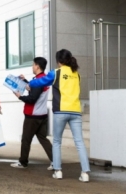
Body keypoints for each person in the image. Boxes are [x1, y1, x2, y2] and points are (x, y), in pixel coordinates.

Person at [27, 49, 90, 182]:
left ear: (58, 61)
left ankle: (58, 171)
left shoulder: (56, 73)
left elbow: (41, 81)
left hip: (61, 111)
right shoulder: (77, 74)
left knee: (56, 141)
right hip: (75, 111)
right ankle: (85, 173)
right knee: (79, 142)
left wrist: (29, 84)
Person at [10, 57, 53, 170]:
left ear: (37, 66)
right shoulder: (44, 79)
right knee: (43, 139)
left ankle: (23, 162)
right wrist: (25, 81)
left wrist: (20, 97)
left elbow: (32, 98)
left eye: (33, 65)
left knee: (26, 139)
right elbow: (34, 88)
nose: (32, 67)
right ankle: (55, 161)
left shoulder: (39, 81)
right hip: (42, 115)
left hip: (33, 116)